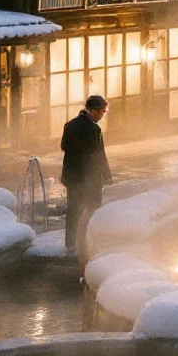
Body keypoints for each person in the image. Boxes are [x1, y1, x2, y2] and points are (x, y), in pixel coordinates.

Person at [61, 94, 112, 258]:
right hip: (89, 177)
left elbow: (64, 146)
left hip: (72, 176)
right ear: (94, 111)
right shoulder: (93, 129)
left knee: (74, 210)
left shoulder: (69, 126)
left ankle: (70, 244)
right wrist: (107, 175)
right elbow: (98, 155)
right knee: (93, 208)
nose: (103, 114)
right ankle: (85, 241)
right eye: (102, 111)